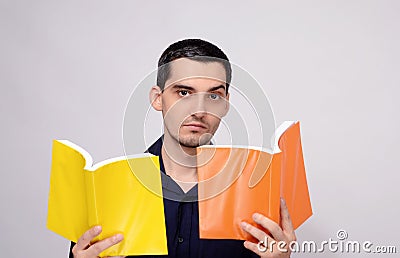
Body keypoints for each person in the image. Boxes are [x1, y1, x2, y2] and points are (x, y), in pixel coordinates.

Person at [69, 39, 296, 258]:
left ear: (226, 103)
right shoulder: (106, 190)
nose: (198, 110)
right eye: (184, 93)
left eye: (213, 95)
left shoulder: (257, 190)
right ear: (158, 99)